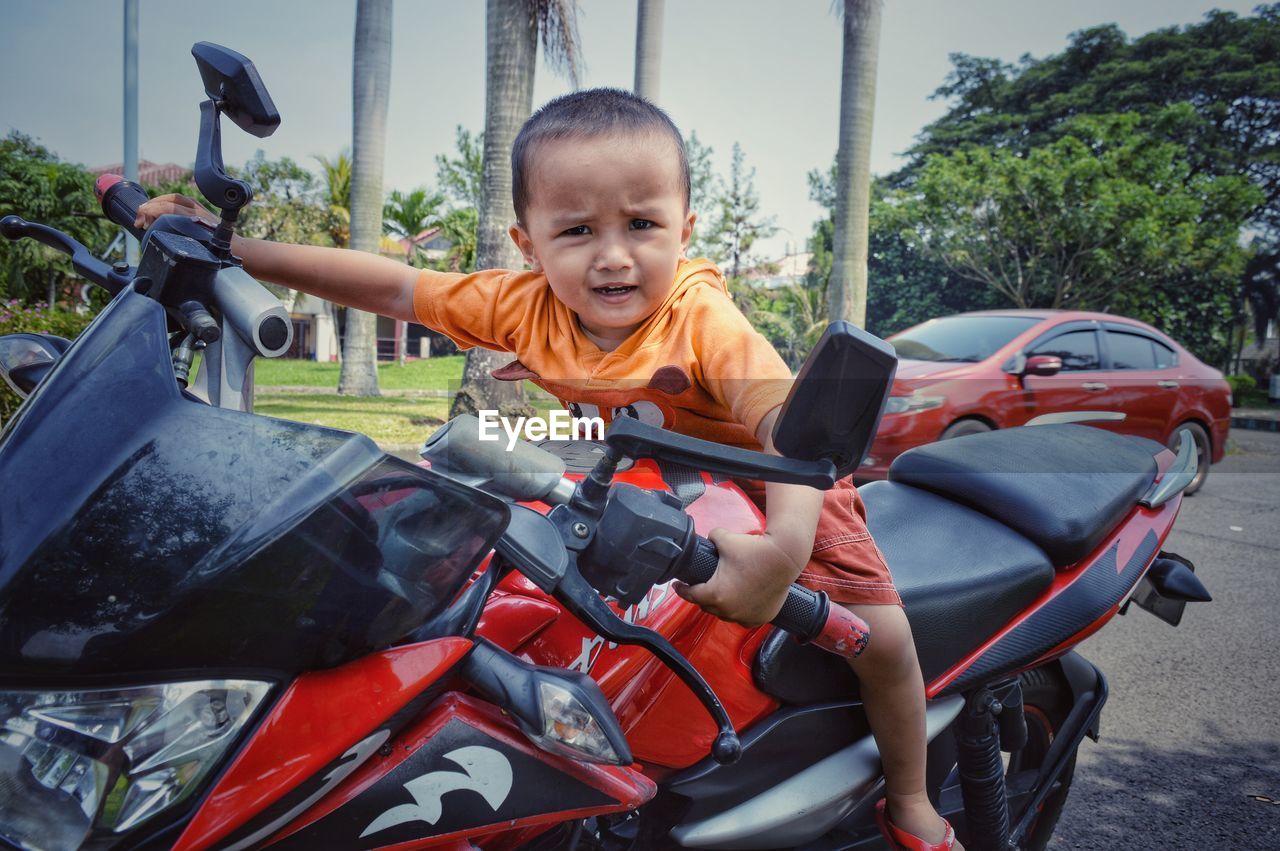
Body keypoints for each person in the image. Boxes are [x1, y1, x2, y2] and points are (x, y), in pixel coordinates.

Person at [137, 87, 958, 850]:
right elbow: (392, 285)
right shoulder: (520, 303)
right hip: (649, 489)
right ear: (529, 245)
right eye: (577, 231)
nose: (614, 257)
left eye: (642, 224)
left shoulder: (700, 315)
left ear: (686, 229)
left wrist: (782, 557)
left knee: (882, 640)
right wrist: (231, 251)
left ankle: (912, 796)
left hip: (784, 492)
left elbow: (790, 431)